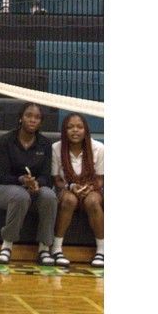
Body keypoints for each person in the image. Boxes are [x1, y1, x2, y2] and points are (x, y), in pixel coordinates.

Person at [0, 102, 57, 266]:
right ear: (20, 118)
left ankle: (44, 248)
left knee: (49, 195)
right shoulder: (7, 140)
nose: (32, 120)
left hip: (33, 189)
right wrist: (21, 180)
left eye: (37, 117)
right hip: (5, 189)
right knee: (20, 195)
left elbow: (47, 177)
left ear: (41, 122)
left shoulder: (45, 144)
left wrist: (37, 183)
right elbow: (2, 175)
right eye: (29, 115)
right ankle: (7, 246)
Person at [49, 113, 105, 268]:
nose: (75, 130)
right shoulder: (56, 148)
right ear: (64, 130)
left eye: (79, 127)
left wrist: (90, 188)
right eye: (70, 127)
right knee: (69, 200)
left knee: (93, 201)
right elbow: (57, 180)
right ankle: (56, 248)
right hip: (66, 188)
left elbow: (100, 179)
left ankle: (102, 250)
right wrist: (71, 187)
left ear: (86, 130)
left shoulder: (99, 148)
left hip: (92, 187)